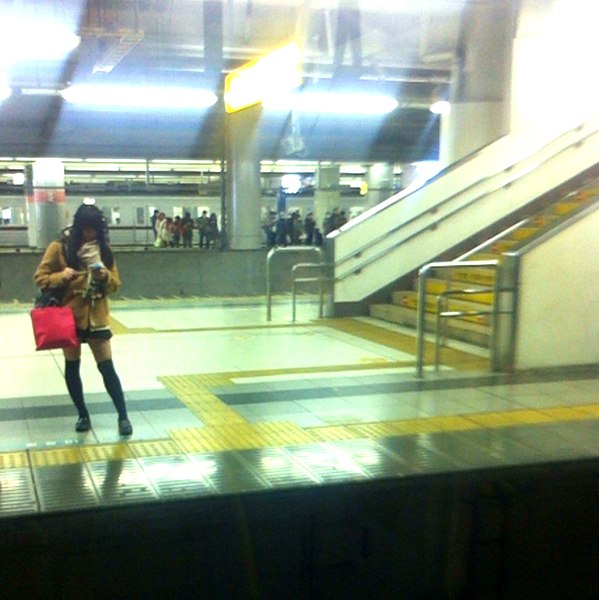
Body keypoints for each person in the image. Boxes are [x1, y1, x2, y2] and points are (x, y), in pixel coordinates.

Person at [33, 203, 133, 436]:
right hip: (69, 317)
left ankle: (123, 417)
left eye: (94, 230)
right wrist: (61, 276)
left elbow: (116, 284)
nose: (90, 234)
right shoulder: (60, 247)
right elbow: (40, 277)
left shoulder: (104, 250)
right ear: (78, 227)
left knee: (107, 368)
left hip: (96, 316)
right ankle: (83, 415)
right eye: (86, 230)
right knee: (72, 366)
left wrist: (104, 275)